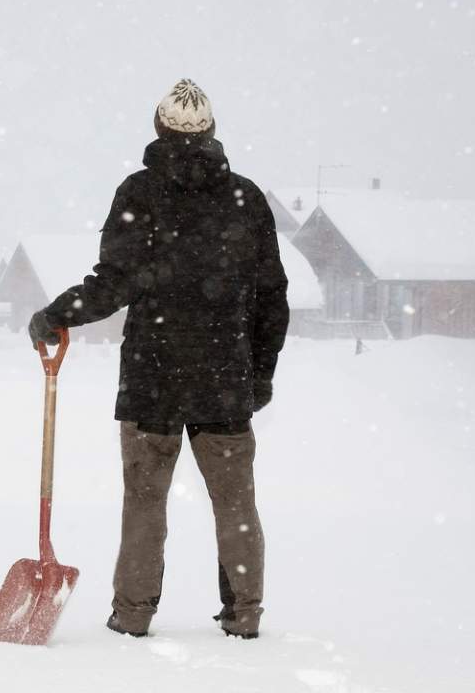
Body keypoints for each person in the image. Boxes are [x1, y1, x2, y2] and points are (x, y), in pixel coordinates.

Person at [28, 79, 289, 639]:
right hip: (224, 377)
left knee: (145, 502)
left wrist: (56, 314)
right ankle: (244, 614)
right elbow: (272, 296)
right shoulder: (245, 197)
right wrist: (258, 374)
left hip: (155, 376)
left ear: (157, 127)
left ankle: (132, 615)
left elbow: (114, 281)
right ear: (212, 131)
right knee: (235, 503)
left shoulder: (140, 193)